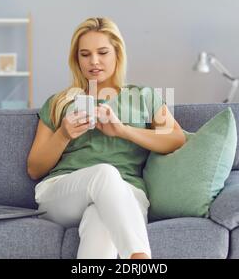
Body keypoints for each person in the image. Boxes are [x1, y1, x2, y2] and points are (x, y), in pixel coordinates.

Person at [27, 17, 186, 259]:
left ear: (117, 53)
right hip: (64, 193)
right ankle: (140, 259)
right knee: (104, 173)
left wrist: (122, 130)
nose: (94, 61)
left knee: (100, 221)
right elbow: (34, 169)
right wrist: (63, 134)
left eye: (102, 52)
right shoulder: (60, 102)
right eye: (85, 54)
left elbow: (176, 139)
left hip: (127, 195)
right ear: (76, 59)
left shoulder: (143, 96)